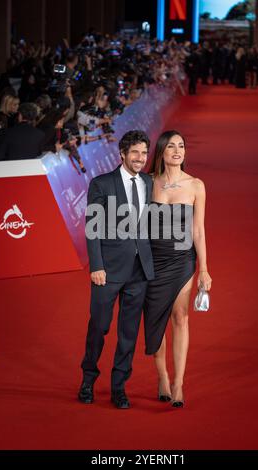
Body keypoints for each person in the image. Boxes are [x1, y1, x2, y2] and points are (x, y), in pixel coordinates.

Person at [78, 130, 155, 409]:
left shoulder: (149, 181)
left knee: (129, 332)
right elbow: (92, 227)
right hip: (107, 270)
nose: (140, 158)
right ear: (122, 154)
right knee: (99, 326)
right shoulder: (102, 183)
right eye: (134, 152)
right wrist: (96, 265)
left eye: (144, 153)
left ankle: (118, 387)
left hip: (139, 271)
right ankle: (88, 379)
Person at [144, 130, 212, 407]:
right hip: (151, 259)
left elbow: (198, 230)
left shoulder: (196, 185)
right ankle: (162, 377)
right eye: (171, 146)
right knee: (155, 319)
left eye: (181, 146)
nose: (177, 150)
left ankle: (178, 382)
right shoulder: (147, 183)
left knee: (180, 316)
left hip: (182, 259)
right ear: (160, 151)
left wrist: (204, 269)